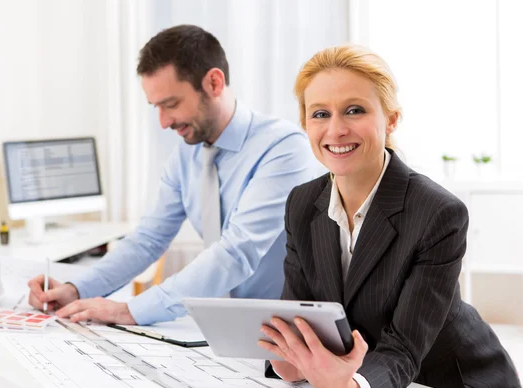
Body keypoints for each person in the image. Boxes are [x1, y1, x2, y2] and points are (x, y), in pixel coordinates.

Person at [258, 45, 523, 388]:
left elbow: (404, 347)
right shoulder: (302, 204)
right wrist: (287, 363)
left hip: (447, 384)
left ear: (391, 119)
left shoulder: (438, 212)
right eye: (320, 113)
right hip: (355, 378)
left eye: (354, 110)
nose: (335, 130)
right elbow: (299, 317)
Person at [27, 25, 315, 326]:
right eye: (156, 108)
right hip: (217, 329)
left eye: (171, 104)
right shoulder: (186, 156)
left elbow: (236, 252)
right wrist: (76, 290)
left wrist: (130, 310)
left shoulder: (284, 149)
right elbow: (149, 239)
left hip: (286, 333)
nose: (164, 122)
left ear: (214, 83)